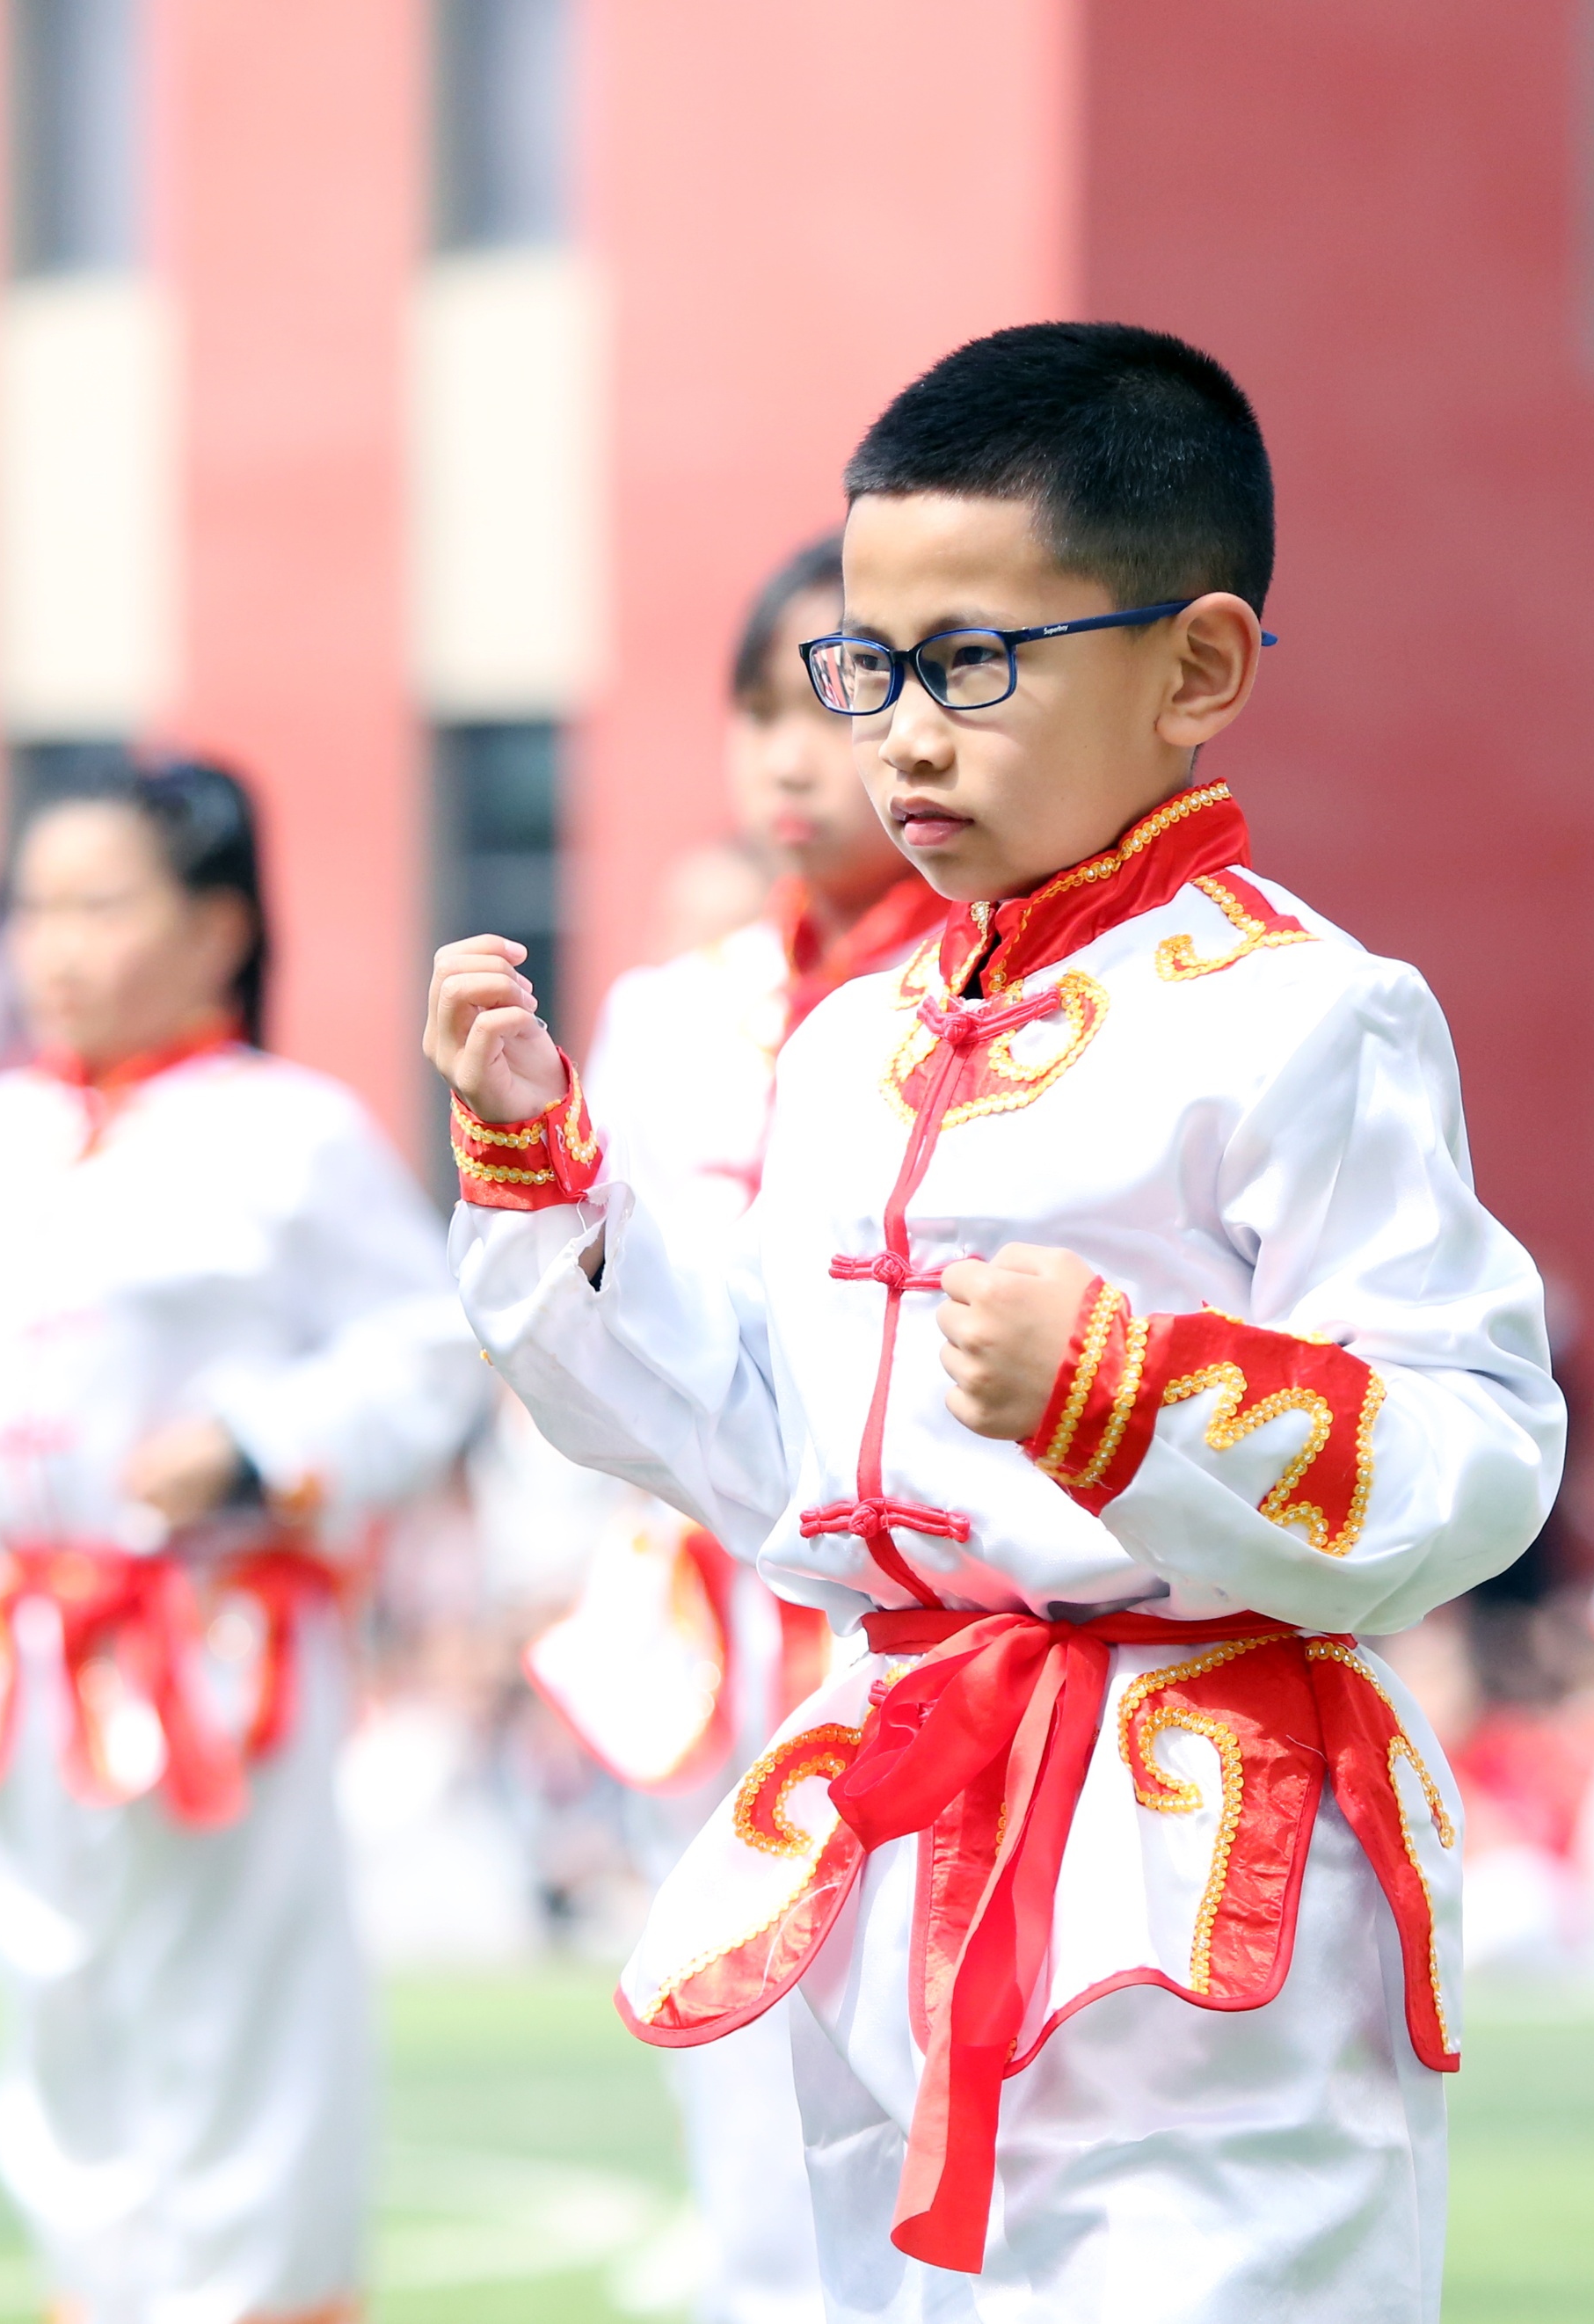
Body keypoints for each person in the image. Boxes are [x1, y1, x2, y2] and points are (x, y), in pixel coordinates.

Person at [428, 322, 1562, 2319]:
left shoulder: (1305, 1010)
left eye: (977, 663)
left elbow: (1476, 1437)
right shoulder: (862, 1037)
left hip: (1194, 1829)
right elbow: (770, 1441)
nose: (904, 736)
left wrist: (1133, 1396)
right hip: (902, 1801)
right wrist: (558, 1189)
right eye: (865, 670)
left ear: (1196, 668)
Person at [0, 762, 487, 2324]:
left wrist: (254, 1444)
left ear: (220, 926)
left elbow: (427, 1353)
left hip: (213, 1641)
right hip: (23, 1636)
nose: (56, 947)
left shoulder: (286, 1132)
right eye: (33, 907)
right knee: (55, 1988)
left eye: (101, 905)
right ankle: (101, 2293)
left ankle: (253, 2301)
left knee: (236, 2006)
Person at [518, 530, 961, 2324]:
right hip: (717, 1615)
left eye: (840, 697)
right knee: (740, 2038)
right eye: (758, 708)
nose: (793, 752)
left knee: (936, 2047)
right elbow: (580, 1298)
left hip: (926, 1620)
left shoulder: (1000, 999)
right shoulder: (673, 1011)